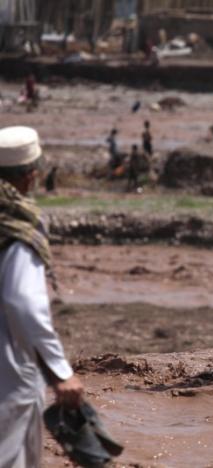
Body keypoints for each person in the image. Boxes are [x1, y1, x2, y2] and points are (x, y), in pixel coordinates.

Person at [0, 126, 84, 467]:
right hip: (8, 374)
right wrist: (60, 371)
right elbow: (23, 303)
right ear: (30, 175)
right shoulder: (18, 225)